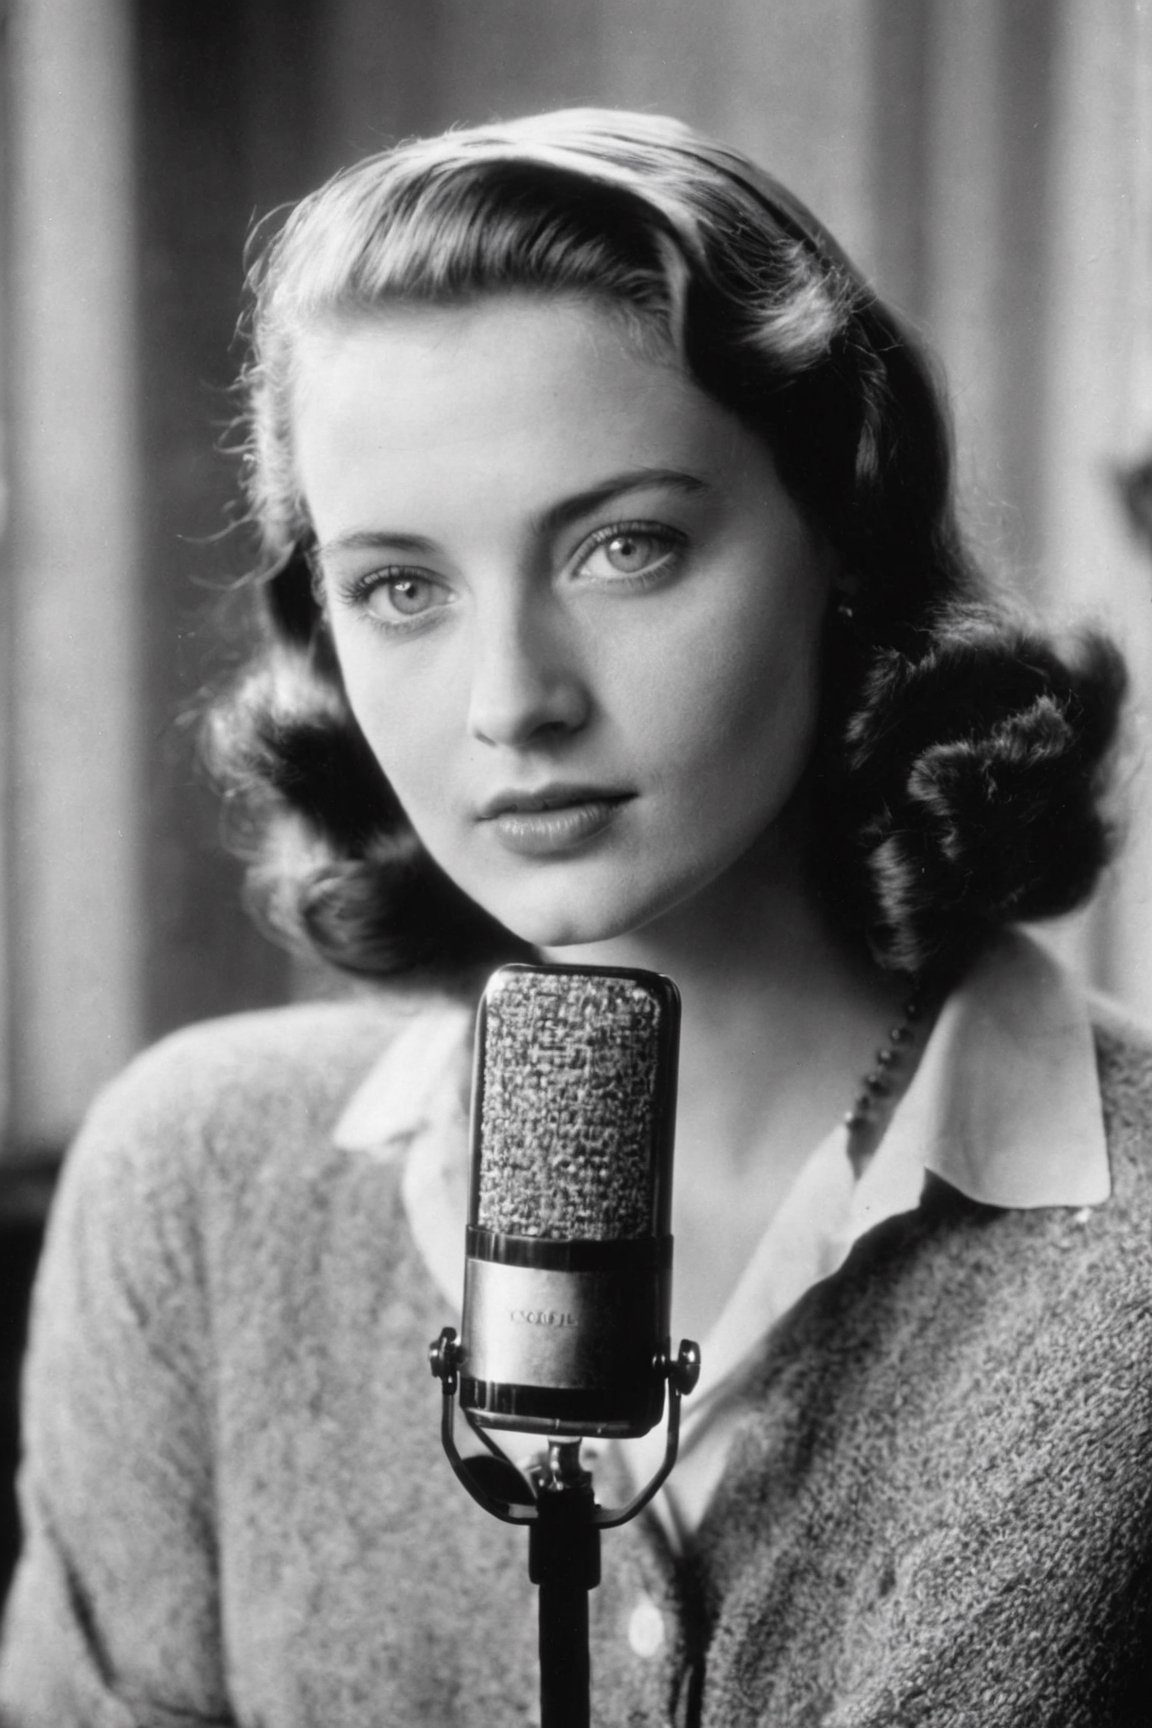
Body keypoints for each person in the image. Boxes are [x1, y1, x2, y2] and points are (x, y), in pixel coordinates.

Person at [1, 107, 1148, 1728]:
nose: (511, 702)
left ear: (838, 534)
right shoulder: (197, 1186)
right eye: (401, 587)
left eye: (625, 547)